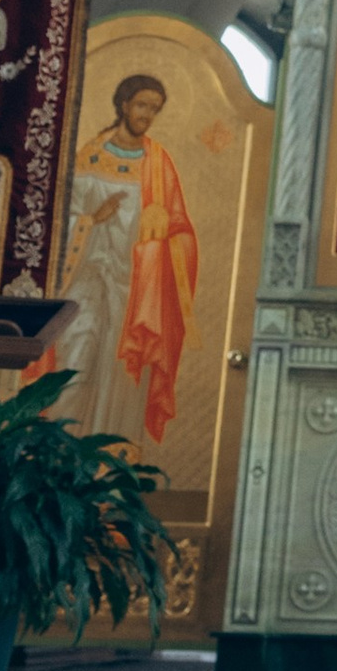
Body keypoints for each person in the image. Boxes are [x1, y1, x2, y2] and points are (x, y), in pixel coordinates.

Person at [55, 70, 199, 448]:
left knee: (121, 373)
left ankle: (108, 465)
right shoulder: (90, 155)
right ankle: (54, 458)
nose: (147, 115)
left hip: (136, 294)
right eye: (141, 105)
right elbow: (56, 222)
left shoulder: (159, 163)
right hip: (85, 279)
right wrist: (90, 220)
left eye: (154, 109)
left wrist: (164, 233)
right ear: (124, 104)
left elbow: (183, 231)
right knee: (75, 358)